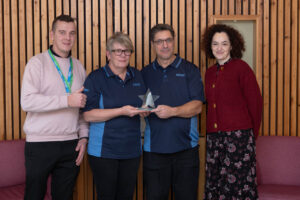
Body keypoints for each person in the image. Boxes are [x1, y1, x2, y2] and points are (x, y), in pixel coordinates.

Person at [21, 15, 88, 200]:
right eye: (62, 32)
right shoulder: (37, 63)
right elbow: (27, 101)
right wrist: (67, 100)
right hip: (40, 144)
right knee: (34, 196)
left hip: (70, 145)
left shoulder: (79, 67)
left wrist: (83, 136)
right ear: (52, 35)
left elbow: (82, 106)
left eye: (72, 33)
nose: (67, 37)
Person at [141, 24, 205, 200]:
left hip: (186, 151)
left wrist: (173, 111)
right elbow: (143, 104)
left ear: (174, 41)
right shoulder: (144, 73)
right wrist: (144, 110)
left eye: (168, 40)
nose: (165, 45)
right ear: (153, 44)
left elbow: (197, 106)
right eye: (159, 41)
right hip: (154, 151)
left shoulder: (190, 70)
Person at [82, 32, 148, 200]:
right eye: (118, 51)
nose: (123, 55)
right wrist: (121, 111)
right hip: (104, 152)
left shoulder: (138, 75)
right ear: (108, 54)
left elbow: (145, 103)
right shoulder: (96, 77)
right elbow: (88, 115)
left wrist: (146, 110)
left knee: (126, 196)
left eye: (127, 51)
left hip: (132, 151)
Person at [201, 24, 263, 200]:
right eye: (215, 44)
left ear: (232, 46)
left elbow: (256, 104)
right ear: (209, 46)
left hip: (239, 139)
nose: (219, 48)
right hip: (214, 139)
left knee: (237, 187)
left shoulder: (241, 68)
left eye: (224, 43)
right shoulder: (209, 73)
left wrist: (251, 136)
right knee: (215, 184)